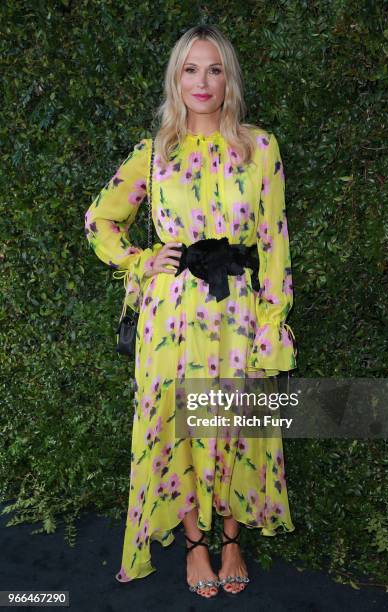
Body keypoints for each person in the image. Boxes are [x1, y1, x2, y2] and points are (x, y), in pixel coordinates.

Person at [84, 24, 297, 599]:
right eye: (190, 69)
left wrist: (273, 323)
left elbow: (274, 241)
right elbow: (99, 219)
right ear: (175, 80)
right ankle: (193, 542)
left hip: (238, 315)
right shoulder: (153, 155)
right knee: (176, 426)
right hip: (172, 317)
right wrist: (140, 260)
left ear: (229, 79)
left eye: (214, 69)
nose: (202, 81)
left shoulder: (261, 148)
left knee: (234, 423)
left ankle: (231, 539)